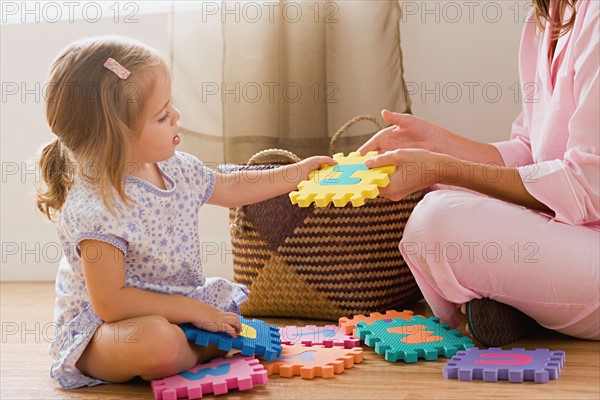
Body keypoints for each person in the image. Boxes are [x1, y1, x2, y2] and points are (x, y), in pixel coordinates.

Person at [36, 36, 335, 389]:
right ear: (115, 138)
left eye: (171, 106)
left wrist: (295, 175)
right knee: (156, 342)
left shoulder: (173, 168)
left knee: (223, 308)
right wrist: (195, 313)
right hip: (104, 330)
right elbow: (112, 304)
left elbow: (229, 187)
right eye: (163, 116)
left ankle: (197, 346)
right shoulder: (97, 209)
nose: (177, 117)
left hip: (173, 307)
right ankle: (194, 352)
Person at [359, 0, 599, 346]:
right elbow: (532, 152)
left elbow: (587, 186)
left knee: (439, 219)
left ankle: (516, 307)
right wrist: (438, 143)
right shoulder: (545, 19)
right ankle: (520, 310)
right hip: (575, 236)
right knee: (442, 192)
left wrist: (444, 166)